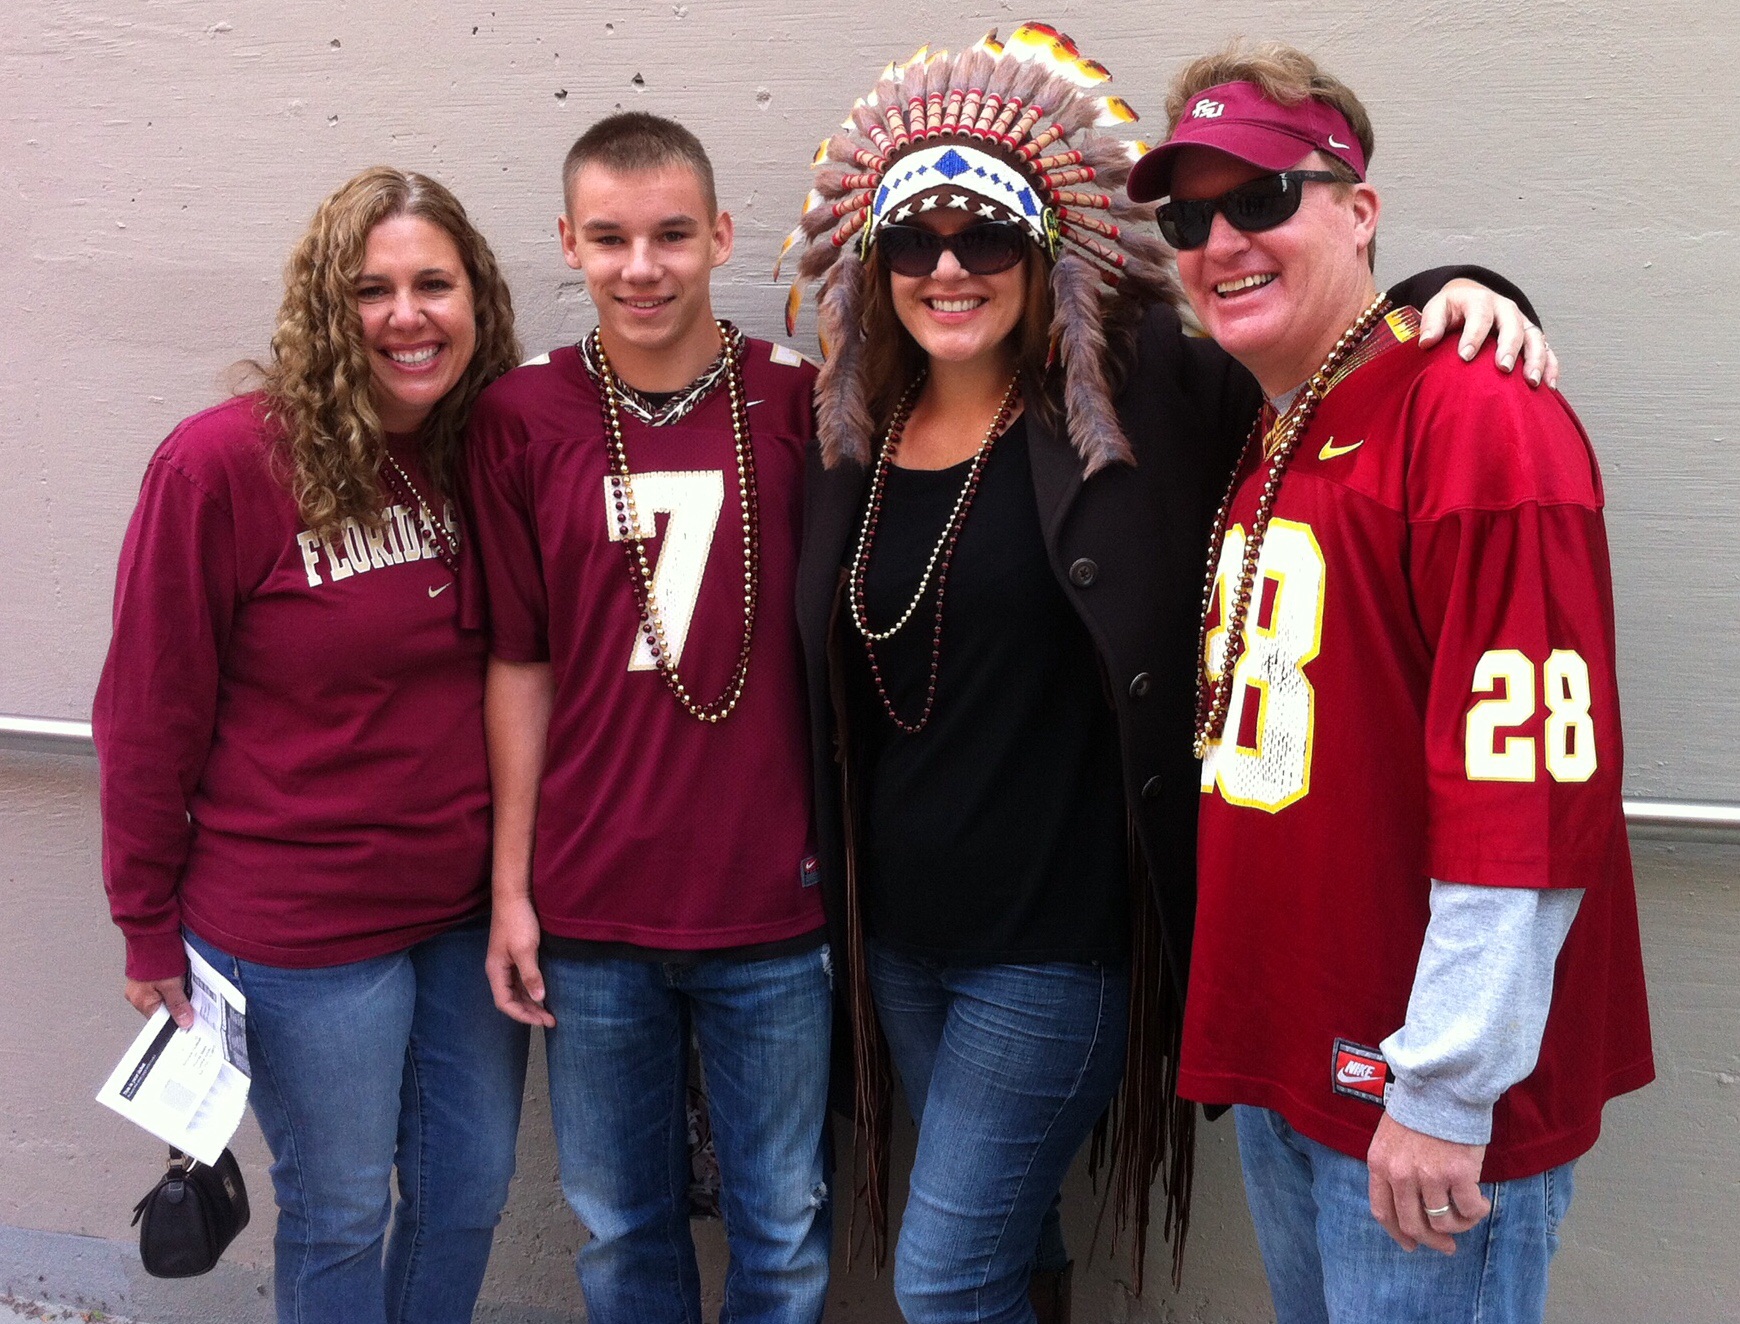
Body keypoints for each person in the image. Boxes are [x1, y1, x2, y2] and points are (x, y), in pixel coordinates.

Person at [783, 25, 1553, 1324]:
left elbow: (1321, 349)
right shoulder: (851, 428)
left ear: (1044, 249)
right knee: (1011, 1237)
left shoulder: (1148, 398)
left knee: (943, 1278)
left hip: (1054, 949)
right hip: (898, 942)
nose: (950, 267)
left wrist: (1462, 289)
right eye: (914, 240)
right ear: (877, 263)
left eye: (988, 235)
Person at [1122, 42, 1653, 1324]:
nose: (1221, 241)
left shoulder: (1476, 414)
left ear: (1359, 209)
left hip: (1419, 1098)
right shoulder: (1280, 418)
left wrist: (1446, 1087)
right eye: (1189, 218)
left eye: (1261, 198)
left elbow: (1528, 790)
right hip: (1301, 1055)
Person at [93, 167, 529, 1323]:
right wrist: (144, 919)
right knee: (339, 1209)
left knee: (468, 1191)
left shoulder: (481, 452)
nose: (406, 316)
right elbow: (146, 710)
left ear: (477, 299)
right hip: (302, 932)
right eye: (370, 290)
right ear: (325, 309)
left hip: (465, 913)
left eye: (434, 284)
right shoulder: (222, 466)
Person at [465, 112, 832, 1324]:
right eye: (611, 238)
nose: (642, 267)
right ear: (569, 242)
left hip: (772, 903)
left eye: (672, 235)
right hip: (592, 907)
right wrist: (511, 889)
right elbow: (520, 664)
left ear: (720, 235)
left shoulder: (801, 400)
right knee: (622, 1230)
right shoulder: (523, 417)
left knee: (785, 1227)